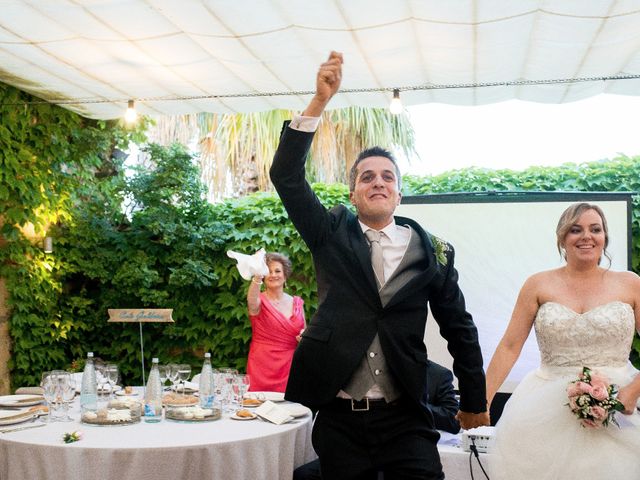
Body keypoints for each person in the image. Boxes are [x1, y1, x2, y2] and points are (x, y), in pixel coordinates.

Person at [270, 50, 488, 480]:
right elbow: (286, 176)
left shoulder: (432, 251)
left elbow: (459, 327)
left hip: (406, 413)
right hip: (338, 414)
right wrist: (318, 102)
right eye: (366, 176)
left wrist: (474, 401)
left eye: (388, 176)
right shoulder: (329, 232)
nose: (378, 182)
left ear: (399, 195)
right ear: (353, 194)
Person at [485, 202, 640, 480]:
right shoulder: (537, 284)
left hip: (619, 404)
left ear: (605, 237)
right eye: (575, 230)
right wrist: (481, 400)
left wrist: (632, 391)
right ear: (562, 237)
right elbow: (510, 346)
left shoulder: (630, 283)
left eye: (595, 229)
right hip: (544, 409)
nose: (586, 236)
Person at [293, 360, 461, 480]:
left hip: (406, 446)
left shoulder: (439, 374)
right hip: (351, 445)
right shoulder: (369, 371)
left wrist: (412, 404)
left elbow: (452, 419)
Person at [246, 252, 306, 392]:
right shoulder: (259, 301)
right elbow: (251, 301)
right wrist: (257, 275)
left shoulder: (297, 303)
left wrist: (303, 338)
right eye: (269, 271)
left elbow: (305, 333)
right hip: (262, 366)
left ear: (285, 276)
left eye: (277, 271)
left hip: (290, 366)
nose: (273, 275)